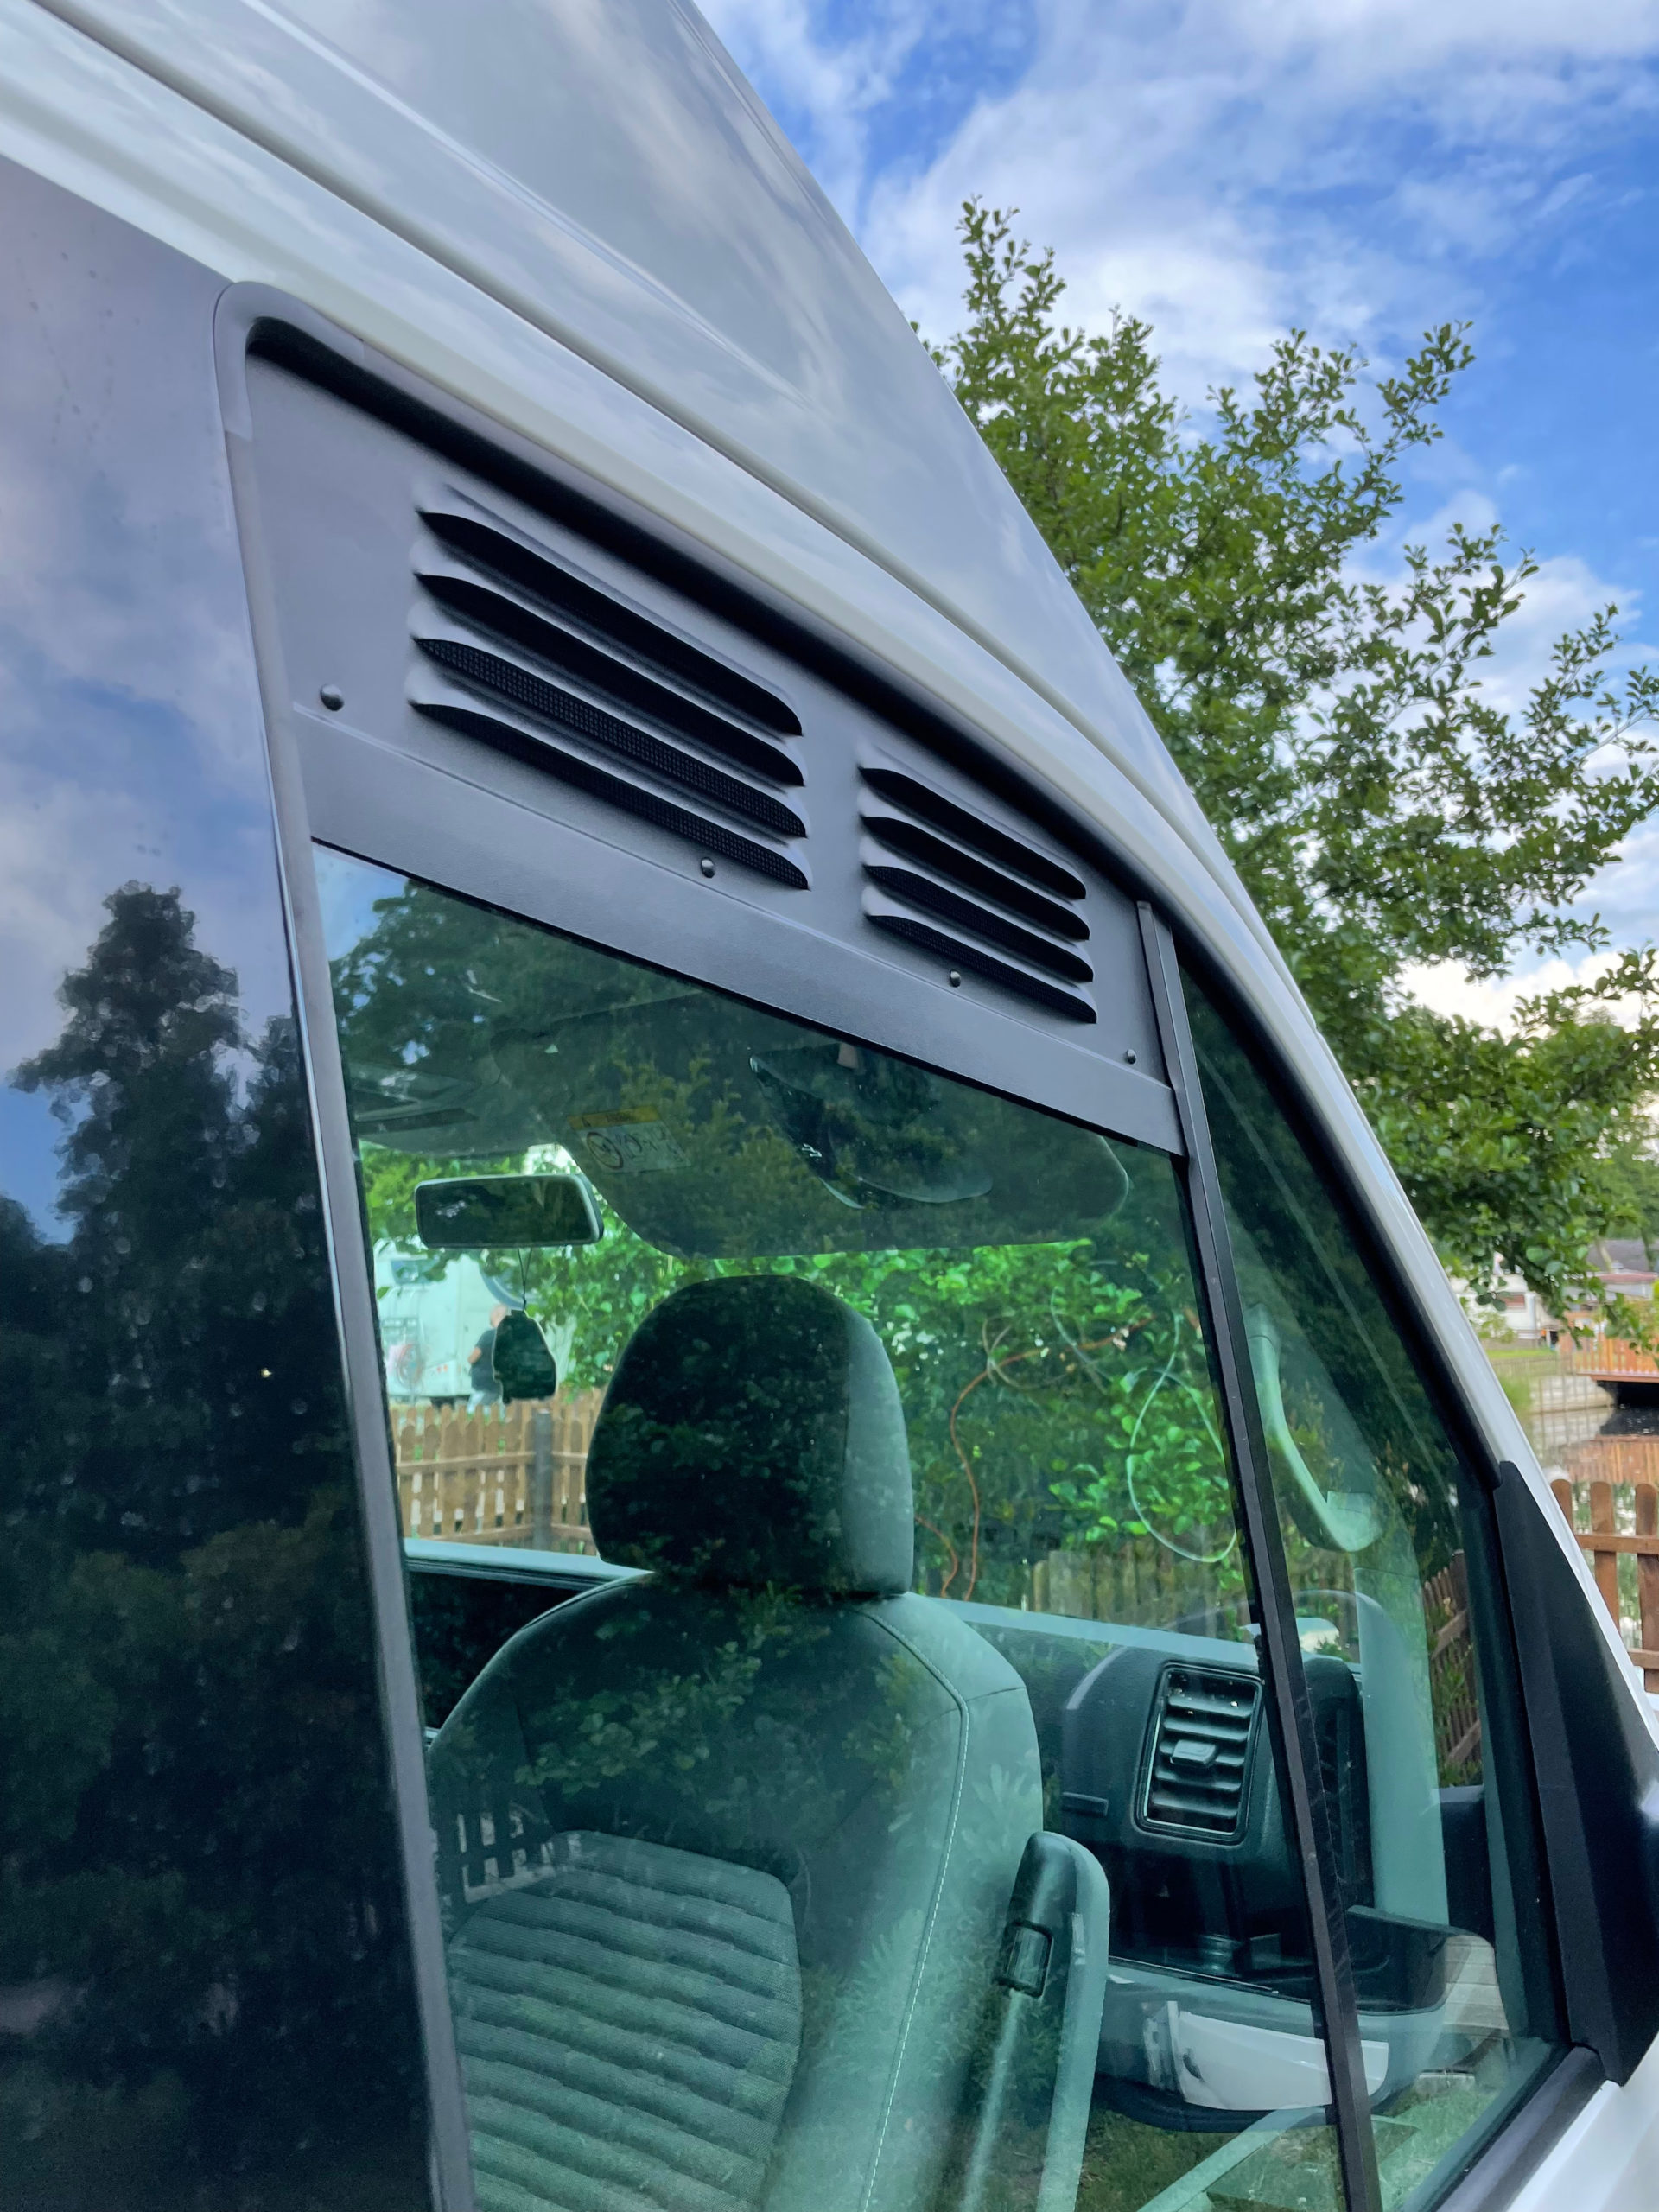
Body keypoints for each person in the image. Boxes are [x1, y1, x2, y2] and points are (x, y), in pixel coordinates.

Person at [466, 1304, 510, 1408]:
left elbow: (473, 1357)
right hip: (499, 1384)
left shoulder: (488, 1335)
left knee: (475, 1411)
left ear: (497, 1315)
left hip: (484, 1384)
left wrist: (469, 1358)